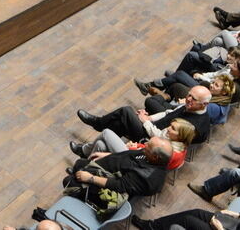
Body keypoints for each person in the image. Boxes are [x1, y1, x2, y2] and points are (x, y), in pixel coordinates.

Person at [75, 84, 213, 144]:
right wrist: (148, 118)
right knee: (120, 122)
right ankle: (92, 147)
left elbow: (162, 138)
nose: (188, 99)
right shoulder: (191, 106)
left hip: (151, 140)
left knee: (126, 111)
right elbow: (168, 113)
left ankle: (98, 124)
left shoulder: (193, 126)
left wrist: (144, 121)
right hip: (152, 127)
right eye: (189, 95)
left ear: (204, 104)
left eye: (193, 99)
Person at [63, 137, 171, 206]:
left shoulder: (146, 177)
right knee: (79, 163)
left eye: (148, 146)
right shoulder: (150, 155)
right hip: (107, 170)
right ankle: (78, 175)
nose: (145, 145)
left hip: (108, 189)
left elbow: (118, 186)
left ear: (155, 157)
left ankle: (78, 199)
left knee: (68, 181)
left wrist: (90, 178)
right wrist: (107, 155)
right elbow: (127, 155)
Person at [70, 118, 195, 171]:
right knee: (100, 145)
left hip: (133, 163)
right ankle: (84, 168)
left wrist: (134, 148)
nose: (168, 128)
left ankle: (84, 151)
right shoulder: (177, 145)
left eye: (172, 128)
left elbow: (148, 160)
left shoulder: (171, 152)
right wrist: (137, 146)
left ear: (180, 136)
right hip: (137, 155)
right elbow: (149, 152)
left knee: (107, 133)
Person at [132, 207, 240, 230]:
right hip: (235, 224)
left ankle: (151, 227)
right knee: (196, 212)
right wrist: (238, 214)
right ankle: (154, 225)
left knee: (187, 220)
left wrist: (219, 228)